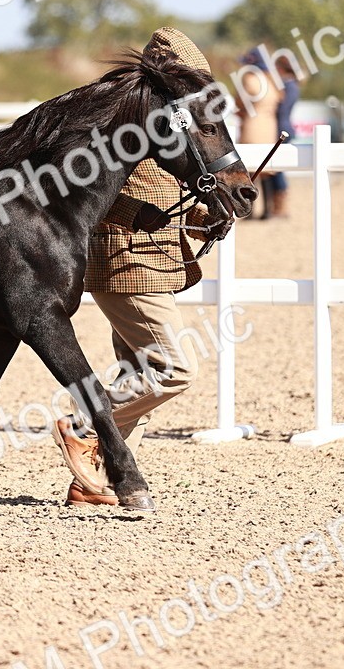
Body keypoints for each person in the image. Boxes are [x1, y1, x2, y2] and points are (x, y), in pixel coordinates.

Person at [51, 27, 233, 507]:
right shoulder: (126, 125)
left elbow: (164, 196)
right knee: (174, 370)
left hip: (151, 262)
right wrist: (139, 214)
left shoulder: (171, 127)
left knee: (137, 375)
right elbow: (93, 196)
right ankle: (84, 424)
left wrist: (204, 216)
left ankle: (93, 479)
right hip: (126, 264)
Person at [235, 47, 282, 218]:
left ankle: (251, 210)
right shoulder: (272, 80)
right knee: (267, 169)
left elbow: (239, 102)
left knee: (249, 170)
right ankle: (268, 210)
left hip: (252, 125)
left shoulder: (250, 79)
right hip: (269, 126)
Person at [270, 56, 302, 217]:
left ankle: (281, 206)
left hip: (281, 128)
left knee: (278, 169)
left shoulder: (289, 87)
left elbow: (282, 110)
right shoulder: (290, 85)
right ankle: (278, 205)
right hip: (284, 126)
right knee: (277, 168)